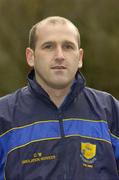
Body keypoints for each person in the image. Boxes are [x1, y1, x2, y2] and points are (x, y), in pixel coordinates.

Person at [0, 16, 119, 180]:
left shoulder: (110, 111)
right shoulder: (4, 115)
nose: (60, 55)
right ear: (31, 57)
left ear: (80, 57)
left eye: (68, 46)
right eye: (48, 46)